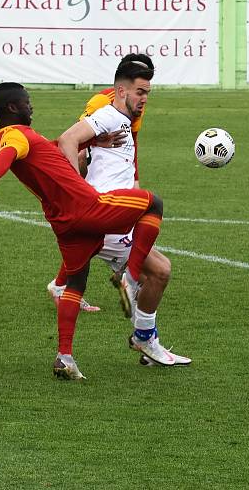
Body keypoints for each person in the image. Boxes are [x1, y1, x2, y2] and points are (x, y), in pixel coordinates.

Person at [0, 82, 183, 380]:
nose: (31, 106)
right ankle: (132, 275)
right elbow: (8, 152)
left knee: (75, 284)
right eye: (27, 101)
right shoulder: (15, 137)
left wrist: (96, 142)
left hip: (63, 223)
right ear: (12, 108)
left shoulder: (25, 138)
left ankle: (65, 357)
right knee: (153, 203)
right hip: (87, 207)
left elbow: (55, 146)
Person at [55, 56, 189, 367]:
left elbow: (84, 151)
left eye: (147, 93)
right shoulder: (108, 115)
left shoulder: (122, 122)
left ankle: (140, 338)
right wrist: (79, 190)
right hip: (107, 220)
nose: (144, 99)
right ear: (120, 90)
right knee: (159, 270)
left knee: (152, 275)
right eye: (140, 92)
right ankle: (142, 333)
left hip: (115, 217)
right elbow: (67, 139)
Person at [45, 53, 153, 316]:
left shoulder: (137, 102)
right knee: (107, 229)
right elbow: (74, 139)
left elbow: (131, 139)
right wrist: (75, 183)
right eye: (141, 88)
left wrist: (135, 174)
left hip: (116, 168)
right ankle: (129, 278)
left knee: (92, 237)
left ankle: (63, 287)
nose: (145, 95)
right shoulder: (101, 103)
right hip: (92, 168)